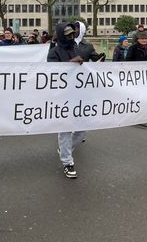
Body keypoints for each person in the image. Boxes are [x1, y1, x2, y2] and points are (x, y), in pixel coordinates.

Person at [48, 22, 84, 179]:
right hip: (62, 96)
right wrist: (72, 64)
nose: (71, 36)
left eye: (72, 33)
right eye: (68, 34)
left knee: (83, 129)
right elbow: (52, 73)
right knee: (65, 130)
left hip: (78, 95)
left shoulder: (76, 48)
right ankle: (67, 162)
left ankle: (65, 150)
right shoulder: (53, 52)